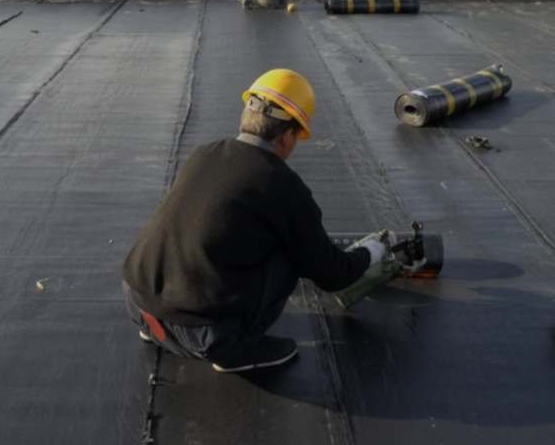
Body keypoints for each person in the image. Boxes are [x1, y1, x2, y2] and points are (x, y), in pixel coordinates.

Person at [122, 69, 388, 373]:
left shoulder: (204, 153)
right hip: (205, 335)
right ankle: (235, 349)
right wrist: (372, 253)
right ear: (288, 136)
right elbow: (330, 275)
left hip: (138, 305)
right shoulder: (281, 185)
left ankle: (159, 331)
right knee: (289, 253)